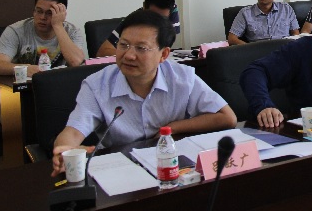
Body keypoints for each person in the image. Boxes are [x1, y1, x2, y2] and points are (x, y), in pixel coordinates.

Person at [51, 10, 236, 177]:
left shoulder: (182, 78)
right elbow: (72, 133)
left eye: (141, 48)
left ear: (164, 55)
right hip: (121, 171)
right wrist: (64, 149)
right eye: (123, 45)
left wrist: (173, 127)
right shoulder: (97, 85)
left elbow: (227, 117)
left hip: (173, 166)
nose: (129, 55)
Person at [0, 0, 86, 77]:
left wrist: (58, 25)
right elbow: (0, 64)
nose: (42, 17)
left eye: (49, 13)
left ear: (61, 14)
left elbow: (76, 62)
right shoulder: (16, 31)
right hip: (24, 83)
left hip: (59, 82)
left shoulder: (72, 31)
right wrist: (24, 69)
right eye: (39, 11)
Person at [96, 0, 180, 57]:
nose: (158, 21)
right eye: (153, 16)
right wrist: (137, 54)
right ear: (144, 7)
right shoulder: (133, 21)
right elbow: (103, 52)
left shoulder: (172, 11)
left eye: (162, 18)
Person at [228, 0, 300, 45]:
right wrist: (250, 49)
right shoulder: (245, 13)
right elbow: (232, 39)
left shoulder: (286, 9)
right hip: (258, 51)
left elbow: (295, 34)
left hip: (284, 49)